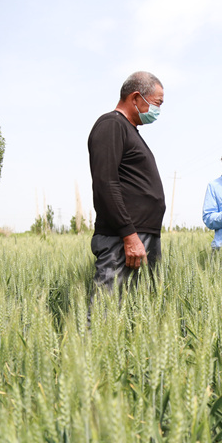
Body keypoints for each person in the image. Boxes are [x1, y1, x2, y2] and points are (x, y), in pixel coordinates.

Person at [88, 71, 166, 291]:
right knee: (108, 305)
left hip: (138, 235)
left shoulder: (129, 130)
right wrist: (129, 235)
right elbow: (106, 183)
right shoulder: (112, 124)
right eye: (157, 103)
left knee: (139, 306)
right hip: (123, 239)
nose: (158, 110)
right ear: (136, 97)